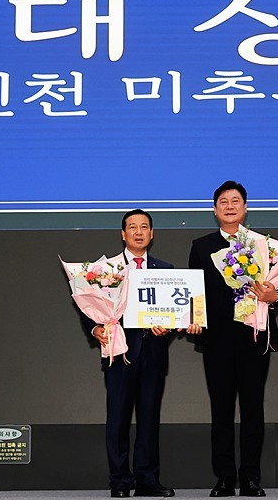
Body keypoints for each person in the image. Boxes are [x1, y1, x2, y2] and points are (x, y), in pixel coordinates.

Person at [80, 209, 199, 498]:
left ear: (152, 233)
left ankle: (147, 480)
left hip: (154, 354)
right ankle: (120, 481)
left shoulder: (165, 270)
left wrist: (169, 327)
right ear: (123, 234)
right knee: (118, 418)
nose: (138, 232)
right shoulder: (106, 270)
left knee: (149, 418)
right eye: (132, 227)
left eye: (144, 227)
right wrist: (95, 329)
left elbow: (177, 310)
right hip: (120, 352)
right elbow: (87, 305)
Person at [188, 181, 278, 498]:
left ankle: (251, 478)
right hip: (216, 339)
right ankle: (225, 478)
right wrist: (193, 319)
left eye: (235, 201)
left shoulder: (262, 245)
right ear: (215, 210)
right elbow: (194, 293)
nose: (229, 206)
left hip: (254, 336)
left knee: (253, 408)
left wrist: (274, 296)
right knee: (221, 410)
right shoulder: (201, 246)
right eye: (223, 202)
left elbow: (277, 289)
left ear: (245, 208)